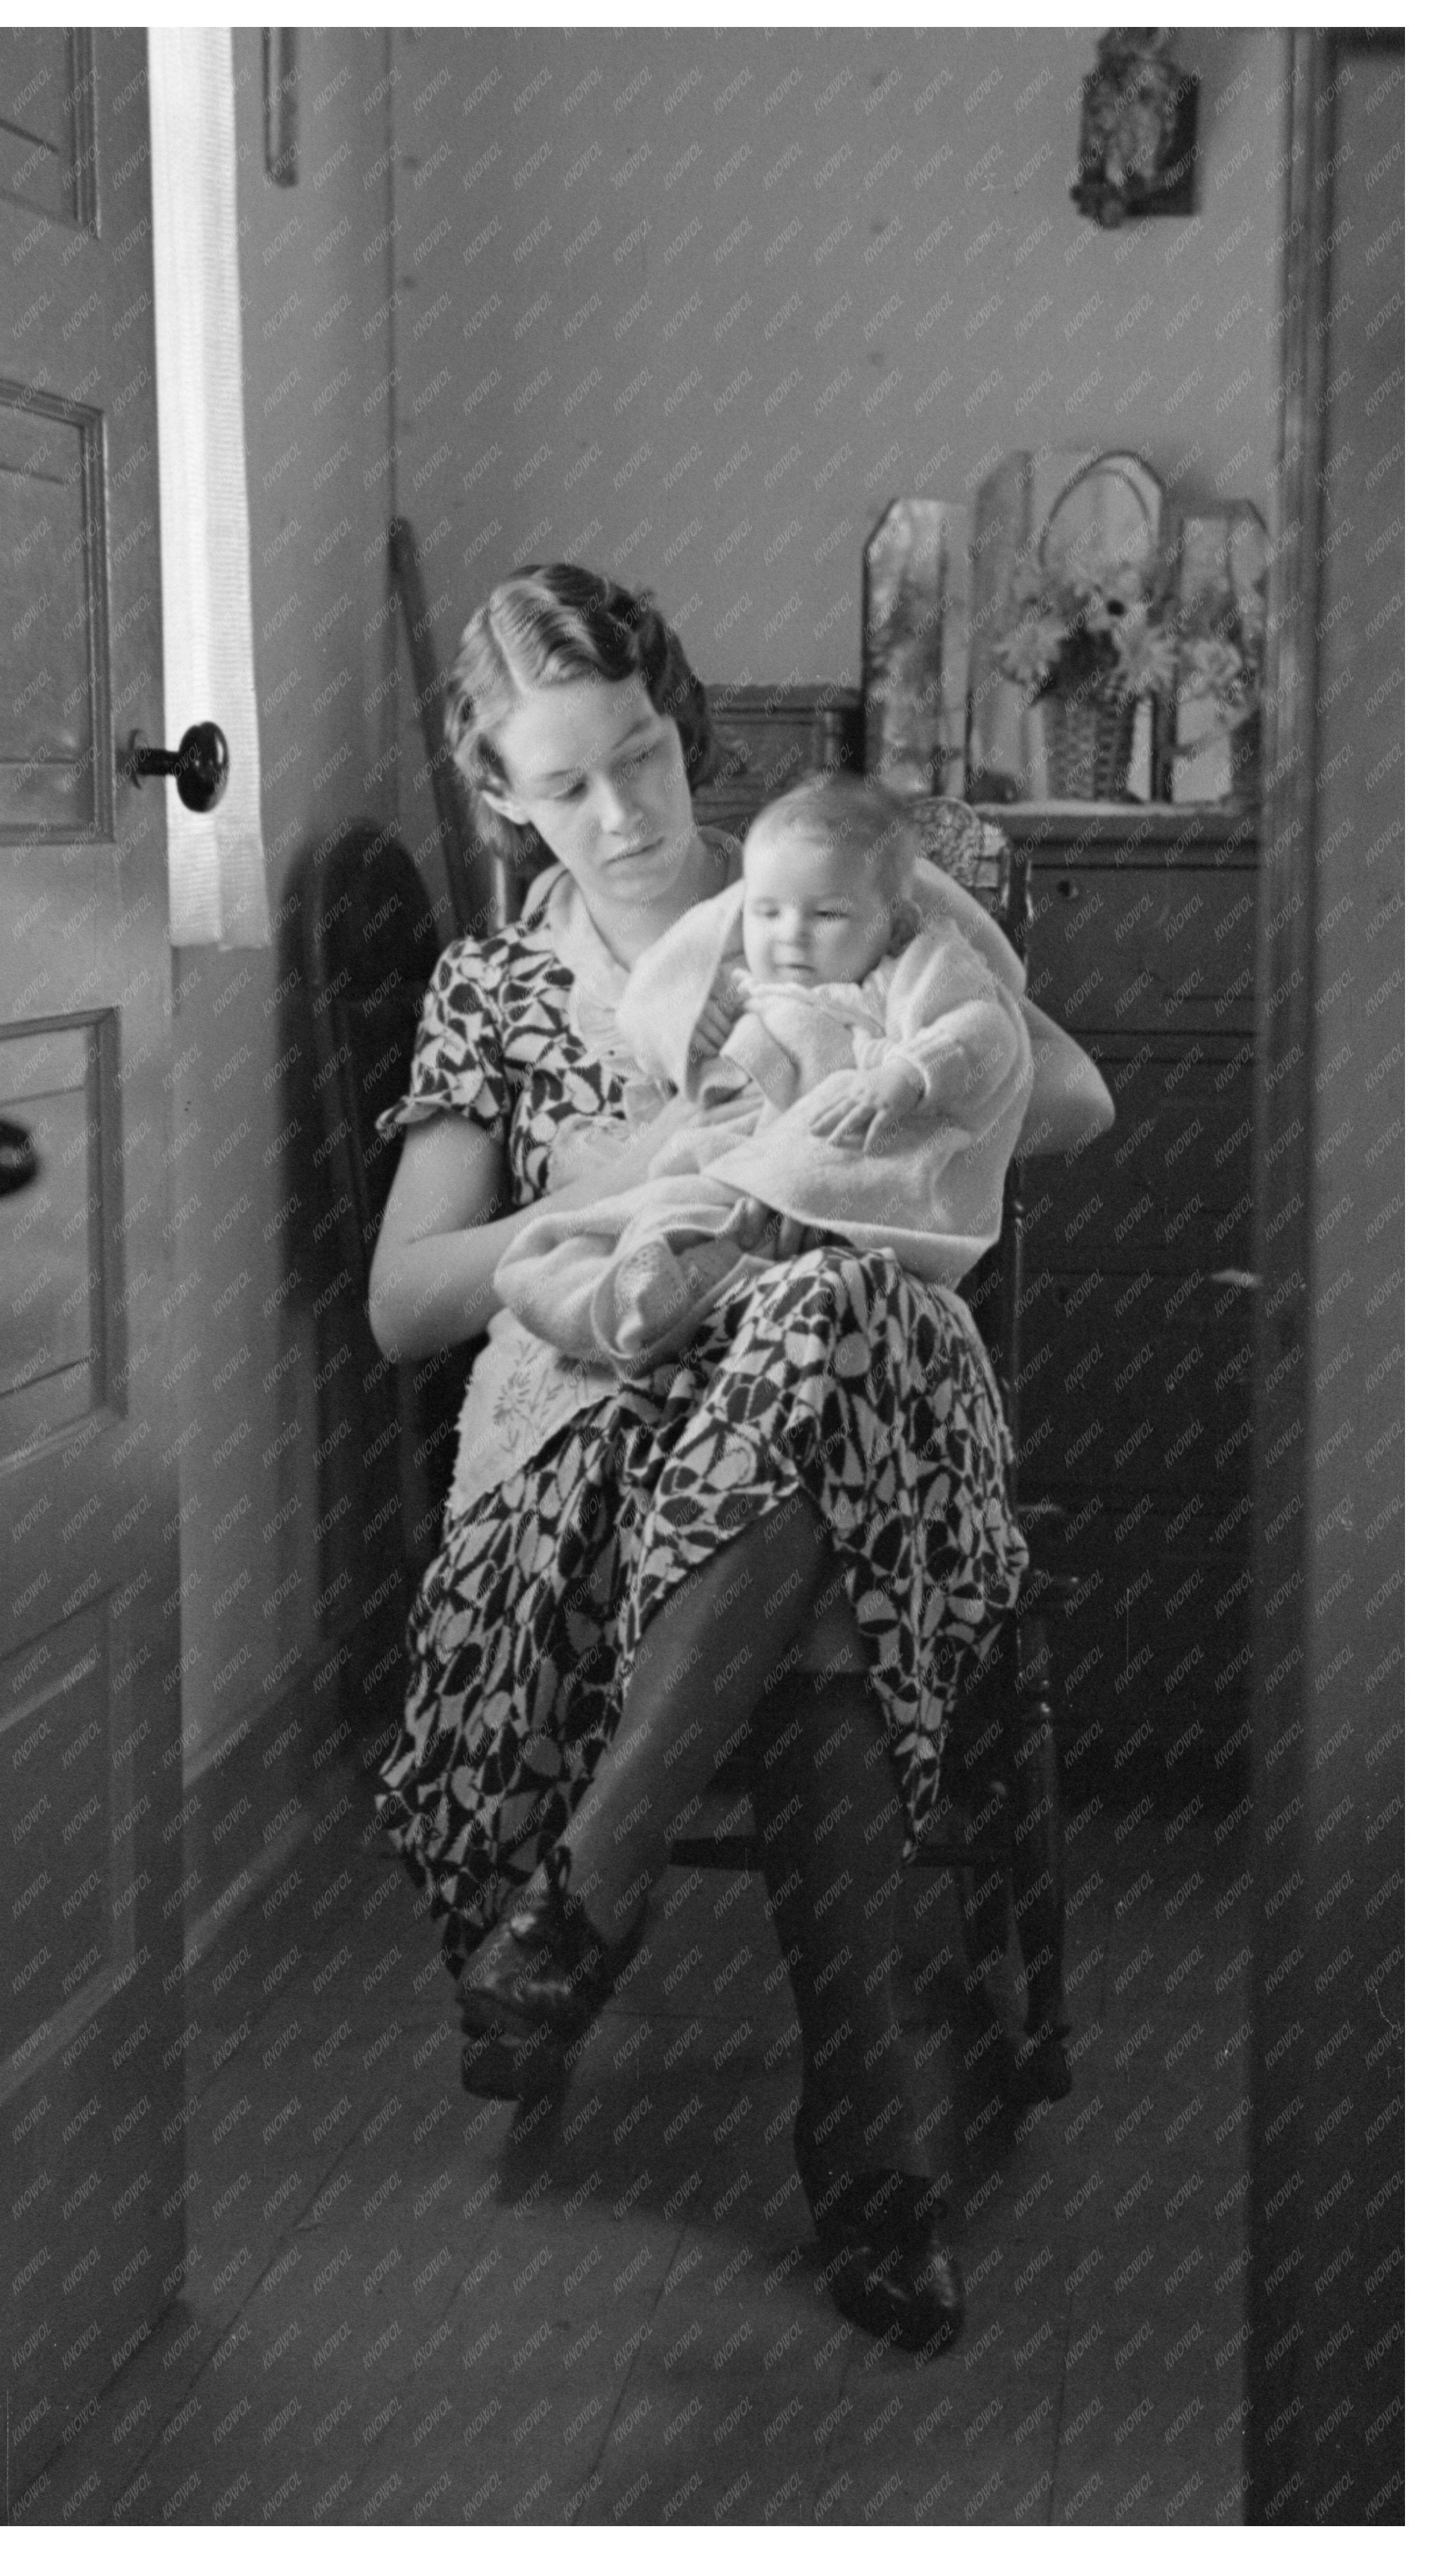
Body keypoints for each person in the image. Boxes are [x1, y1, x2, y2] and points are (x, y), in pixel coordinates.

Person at [368, 563, 1113, 2352]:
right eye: (567, 785)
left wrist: (838, 1130)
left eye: (639, 755)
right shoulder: (496, 983)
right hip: (614, 1429)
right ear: (504, 799)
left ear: (678, 724)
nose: (623, 814)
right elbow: (405, 1301)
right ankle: (872, 2159)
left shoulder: (825, 882)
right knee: (823, 1514)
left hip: (858, 1374)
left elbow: (1058, 1096)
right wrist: (653, 1185)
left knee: (825, 1335)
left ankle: (587, 1889)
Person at [491, 768, 1035, 1372]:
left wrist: (905, 1076)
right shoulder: (735, 981)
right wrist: (684, 1022)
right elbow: (654, 999)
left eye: (826, 915)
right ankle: (632, 1291)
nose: (790, 935)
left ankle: (703, 1273)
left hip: (836, 1147)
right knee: (662, 1207)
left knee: (787, 1197)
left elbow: (984, 1029)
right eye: (767, 912)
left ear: (895, 923)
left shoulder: (904, 971)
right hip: (732, 1151)